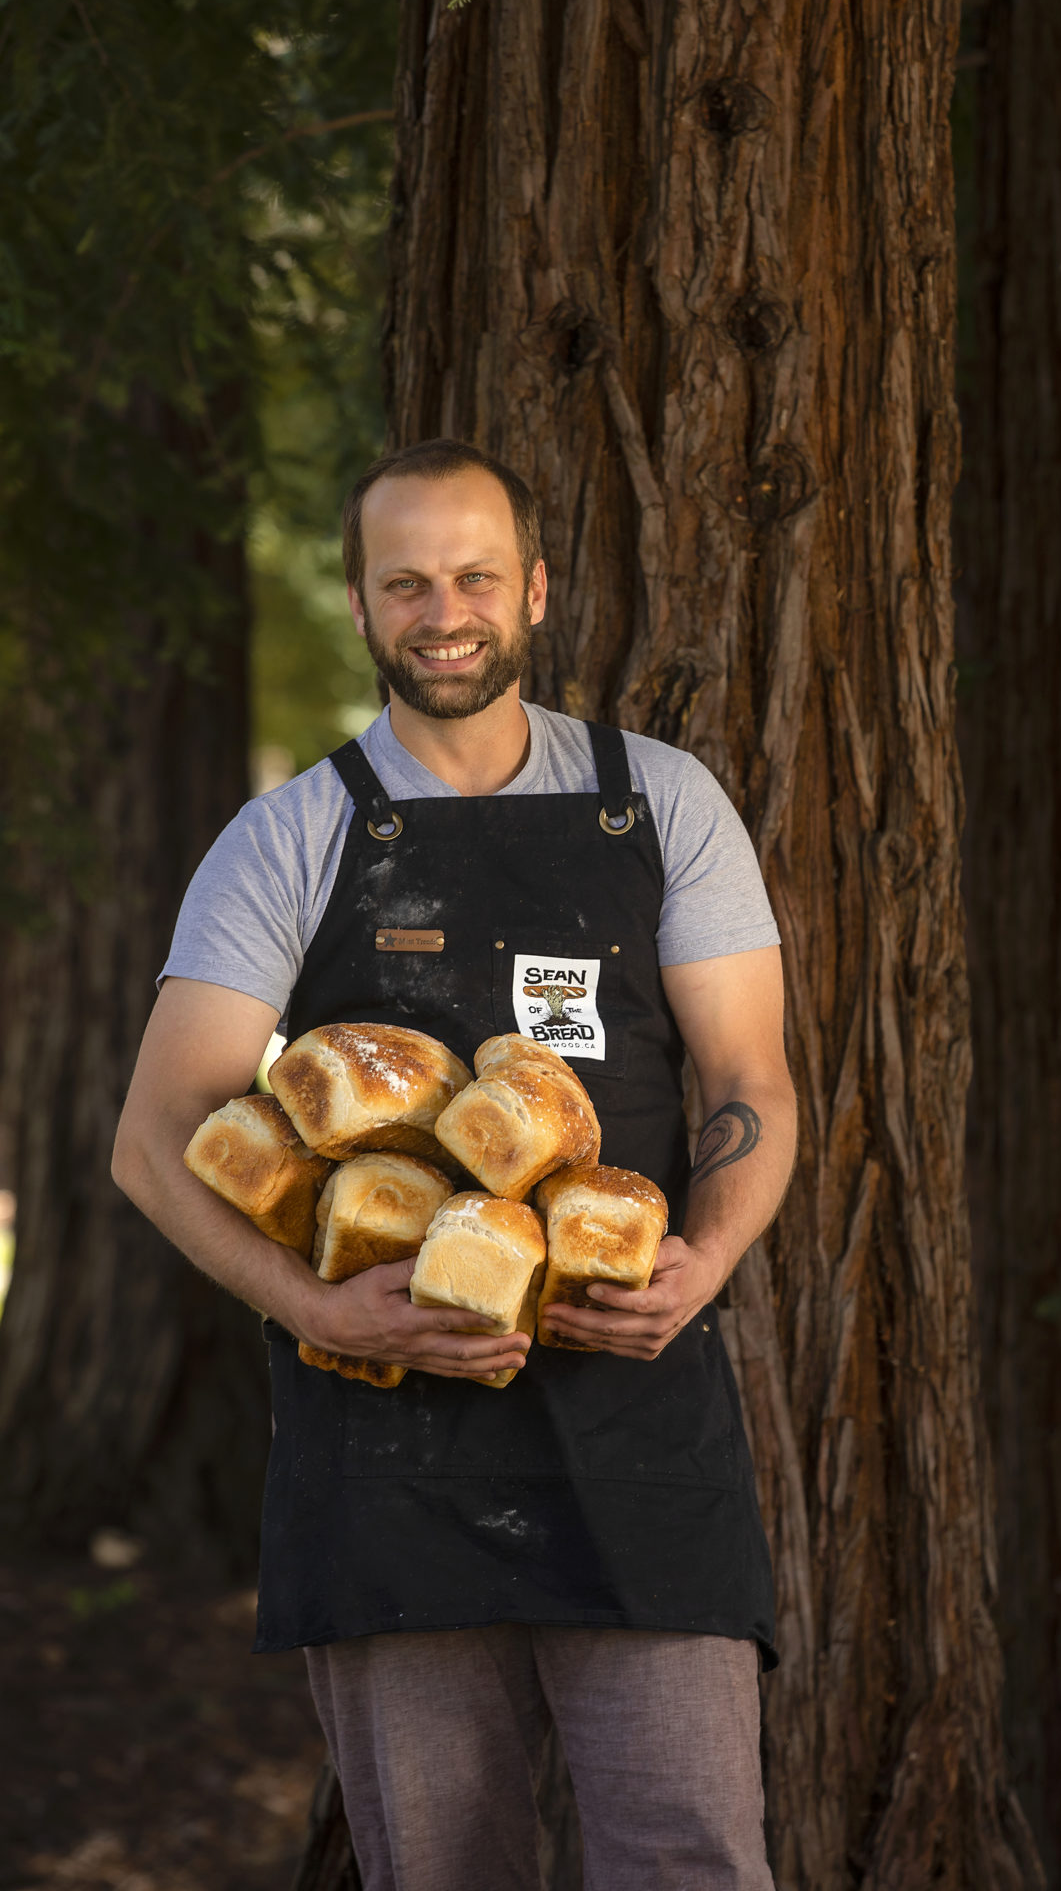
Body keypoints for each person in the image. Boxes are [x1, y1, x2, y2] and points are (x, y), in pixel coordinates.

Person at [112, 438, 798, 1891]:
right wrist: (310, 1309)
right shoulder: (287, 837)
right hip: (383, 1444)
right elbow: (155, 1142)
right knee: (436, 1867)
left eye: (476, 575)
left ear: (536, 590)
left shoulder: (659, 803)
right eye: (406, 581)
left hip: (638, 1421)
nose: (445, 610)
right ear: (359, 606)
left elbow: (748, 1081)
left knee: (691, 1857)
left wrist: (713, 1257)